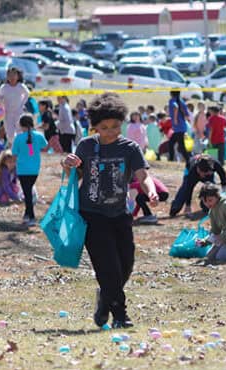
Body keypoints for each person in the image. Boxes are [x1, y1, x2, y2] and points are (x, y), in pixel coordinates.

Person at [62, 93, 158, 329]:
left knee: (125, 265)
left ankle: (105, 299)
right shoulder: (86, 146)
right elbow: (75, 177)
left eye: (115, 126)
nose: (111, 131)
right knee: (108, 267)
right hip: (92, 216)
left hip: (121, 214)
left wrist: (151, 191)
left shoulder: (129, 148)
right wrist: (68, 165)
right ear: (94, 126)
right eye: (104, 127)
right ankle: (120, 315)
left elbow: (142, 175)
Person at [11, 113, 48, 226]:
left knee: (27, 194)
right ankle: (27, 215)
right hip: (34, 169)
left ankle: (31, 217)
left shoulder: (18, 138)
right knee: (28, 193)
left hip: (22, 169)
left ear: (21, 125)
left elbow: (14, 154)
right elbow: (45, 146)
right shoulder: (39, 135)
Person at [0, 67, 29, 144]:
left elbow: (27, 94)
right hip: (8, 112)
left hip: (19, 112)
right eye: (10, 75)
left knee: (20, 130)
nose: (12, 77)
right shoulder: (4, 87)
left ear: (18, 76)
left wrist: (22, 104)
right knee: (10, 133)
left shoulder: (21, 86)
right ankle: (13, 146)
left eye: (14, 75)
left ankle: (21, 147)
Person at [166, 90, 192, 163]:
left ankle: (188, 160)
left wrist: (175, 119)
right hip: (182, 126)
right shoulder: (181, 101)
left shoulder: (172, 100)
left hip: (178, 127)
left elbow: (175, 107)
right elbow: (187, 115)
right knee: (171, 143)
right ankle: (171, 159)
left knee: (181, 146)